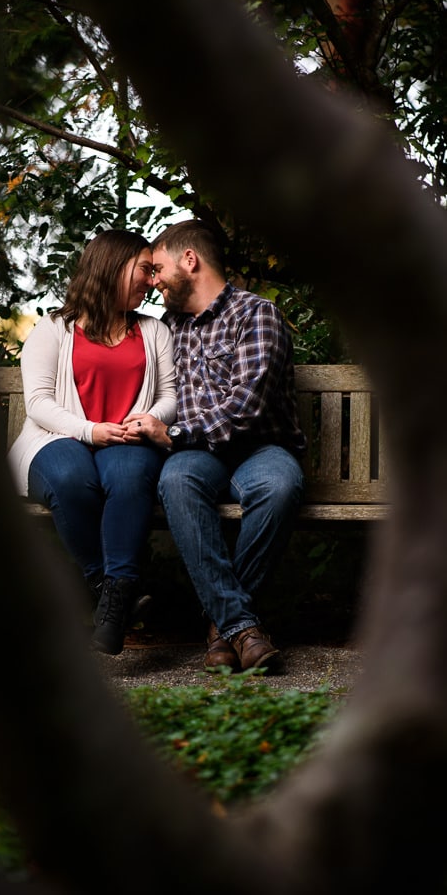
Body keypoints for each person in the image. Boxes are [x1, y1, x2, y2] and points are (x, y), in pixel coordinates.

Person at [126, 219, 306, 674]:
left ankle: (221, 627)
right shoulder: (167, 328)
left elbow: (245, 408)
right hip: (196, 458)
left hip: (260, 448)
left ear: (190, 260)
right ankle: (242, 628)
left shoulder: (255, 314)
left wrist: (178, 434)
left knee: (281, 486)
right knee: (178, 479)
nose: (154, 280)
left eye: (158, 267)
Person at [7, 229, 176, 656]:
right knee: (69, 477)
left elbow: (170, 394)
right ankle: (115, 593)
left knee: (130, 474)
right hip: (57, 437)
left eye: (154, 272)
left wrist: (151, 419)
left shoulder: (155, 331)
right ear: (113, 266)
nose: (152, 280)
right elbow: (39, 404)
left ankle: (113, 597)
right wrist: (90, 430)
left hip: (127, 440)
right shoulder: (53, 330)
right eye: (145, 269)